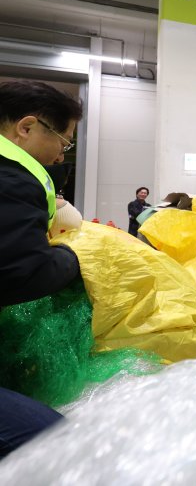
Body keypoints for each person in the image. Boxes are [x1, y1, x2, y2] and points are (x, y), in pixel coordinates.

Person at [0, 80, 84, 456]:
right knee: (52, 442)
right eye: (64, 143)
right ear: (26, 127)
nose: (60, 156)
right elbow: (24, 273)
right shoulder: (13, 179)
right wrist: (73, 256)